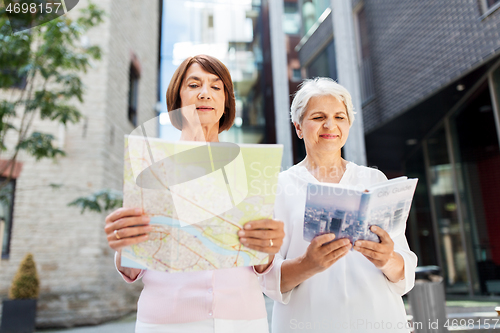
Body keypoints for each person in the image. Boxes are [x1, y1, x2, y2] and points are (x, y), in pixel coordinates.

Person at [104, 55, 284, 333]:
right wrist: (123, 244)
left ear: (226, 102)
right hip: (166, 320)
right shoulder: (151, 166)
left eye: (216, 87)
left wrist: (269, 249)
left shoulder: (251, 169)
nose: (205, 93)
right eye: (194, 84)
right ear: (177, 99)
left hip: (243, 319)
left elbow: (262, 264)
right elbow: (132, 268)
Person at [259, 78, 417, 333]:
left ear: (348, 125)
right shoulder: (277, 188)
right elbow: (267, 279)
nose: (330, 125)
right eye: (318, 116)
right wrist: (308, 264)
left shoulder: (374, 180)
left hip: (379, 320)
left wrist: (387, 258)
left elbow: (404, 272)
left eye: (339, 117)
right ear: (298, 127)